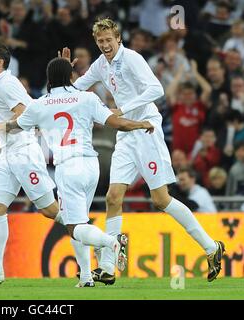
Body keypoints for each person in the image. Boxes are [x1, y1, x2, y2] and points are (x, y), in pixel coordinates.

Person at [60, 18, 224, 284]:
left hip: (146, 128)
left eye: (108, 41)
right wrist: (62, 74)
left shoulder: (132, 58)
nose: (104, 45)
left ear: (118, 39)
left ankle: (211, 247)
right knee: (114, 197)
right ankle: (109, 268)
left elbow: (156, 89)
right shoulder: (100, 65)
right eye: (100, 42)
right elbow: (75, 89)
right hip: (125, 134)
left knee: (160, 200)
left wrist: (122, 109)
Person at [0, 57, 155, 287]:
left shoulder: (40, 104)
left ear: (48, 79)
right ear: (72, 77)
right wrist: (140, 124)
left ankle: (111, 242)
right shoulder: (87, 97)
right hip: (91, 165)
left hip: (68, 167)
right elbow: (116, 122)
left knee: (75, 228)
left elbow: (16, 124)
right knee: (79, 220)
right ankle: (85, 277)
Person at [0, 44, 63, 285]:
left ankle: (93, 236)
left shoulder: (7, 84)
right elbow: (30, 105)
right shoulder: (1, 83)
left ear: (0, 63)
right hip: (8, 154)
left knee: (49, 211)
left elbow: (23, 117)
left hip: (24, 152)